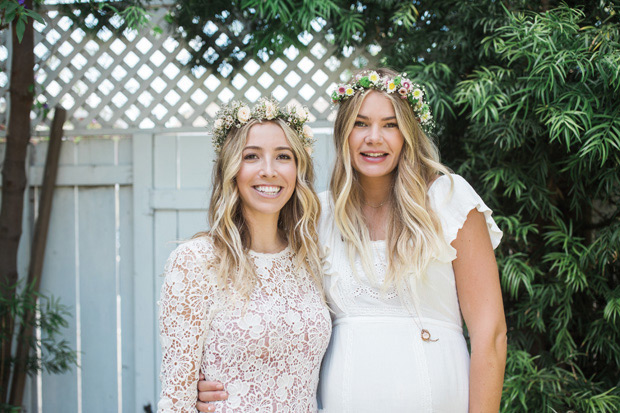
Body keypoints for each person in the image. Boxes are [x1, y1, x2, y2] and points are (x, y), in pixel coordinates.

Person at [197, 68, 507, 412]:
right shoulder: (317, 215)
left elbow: (490, 334)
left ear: (408, 132)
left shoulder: (448, 199)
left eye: (390, 124)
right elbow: (272, 309)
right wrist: (224, 379)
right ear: (343, 132)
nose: (374, 137)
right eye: (360, 123)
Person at [158, 98, 331, 412]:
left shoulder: (311, 259)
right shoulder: (195, 262)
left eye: (283, 156)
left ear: (298, 169)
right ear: (231, 169)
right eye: (251, 156)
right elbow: (176, 400)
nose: (268, 171)